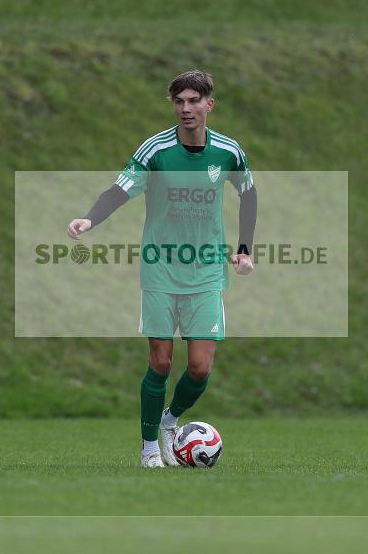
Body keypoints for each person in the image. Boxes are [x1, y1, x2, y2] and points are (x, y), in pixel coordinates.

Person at [67, 71, 258, 468]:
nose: (185, 109)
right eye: (179, 102)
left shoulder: (228, 151)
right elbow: (121, 189)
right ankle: (150, 446)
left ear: (209, 104)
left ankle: (170, 422)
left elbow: (248, 192)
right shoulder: (155, 149)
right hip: (160, 268)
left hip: (206, 270)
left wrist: (243, 250)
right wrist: (89, 220)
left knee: (200, 368)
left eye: (193, 101)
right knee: (160, 362)